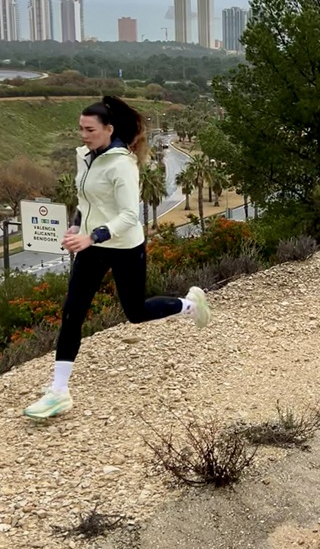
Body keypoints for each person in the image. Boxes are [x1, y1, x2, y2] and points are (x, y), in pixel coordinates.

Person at [23, 95, 210, 419]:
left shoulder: (122, 164)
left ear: (109, 129)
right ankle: (58, 392)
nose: (83, 135)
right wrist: (76, 228)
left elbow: (127, 216)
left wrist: (92, 236)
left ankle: (189, 305)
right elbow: (86, 201)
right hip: (92, 248)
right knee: (72, 313)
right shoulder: (85, 156)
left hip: (125, 247)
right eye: (80, 128)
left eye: (90, 129)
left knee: (135, 311)